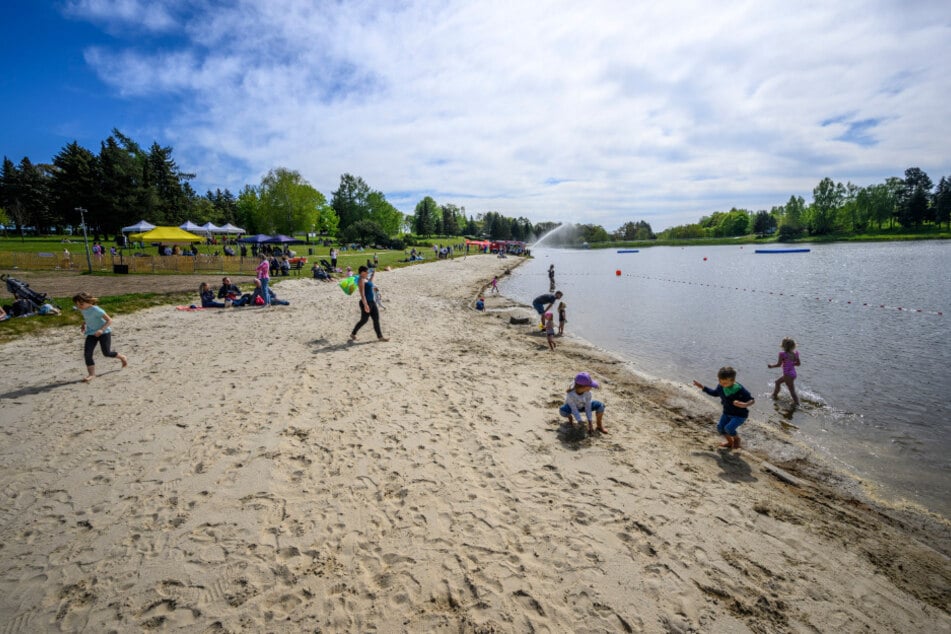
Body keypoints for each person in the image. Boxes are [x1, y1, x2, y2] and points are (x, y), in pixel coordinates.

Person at [693, 366, 755, 449]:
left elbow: (752, 400)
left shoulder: (739, 389)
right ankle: (730, 442)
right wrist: (702, 387)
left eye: (725, 383)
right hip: (727, 413)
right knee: (720, 428)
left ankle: (736, 439)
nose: (722, 384)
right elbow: (714, 393)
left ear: (733, 381)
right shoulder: (721, 387)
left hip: (739, 415)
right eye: (720, 381)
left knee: (728, 428)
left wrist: (745, 404)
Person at [73, 292, 128, 382]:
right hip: (91, 333)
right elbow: (88, 318)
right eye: (77, 304)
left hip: (104, 332)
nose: (79, 306)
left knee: (106, 353)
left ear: (89, 301)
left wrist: (101, 330)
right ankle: (91, 374)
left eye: (81, 304)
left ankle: (122, 357)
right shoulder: (83, 309)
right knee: (87, 354)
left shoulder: (96, 310)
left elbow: (109, 320)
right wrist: (84, 323)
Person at [349, 265, 388, 342]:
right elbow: (362, 293)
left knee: (376, 319)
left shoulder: (365, 279)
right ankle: (353, 333)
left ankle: (380, 337)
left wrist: (373, 274)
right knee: (364, 320)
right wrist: (365, 305)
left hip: (372, 302)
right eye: (367, 272)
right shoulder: (361, 280)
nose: (368, 273)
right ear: (362, 272)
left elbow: (370, 283)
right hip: (366, 302)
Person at [768, 337, 801, 405]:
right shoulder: (795, 353)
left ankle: (797, 404)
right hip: (793, 374)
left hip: (787, 375)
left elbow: (779, 364)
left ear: (783, 346)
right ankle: (774, 395)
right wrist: (791, 363)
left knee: (792, 391)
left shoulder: (782, 354)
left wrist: (771, 366)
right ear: (793, 346)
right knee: (777, 382)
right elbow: (798, 364)